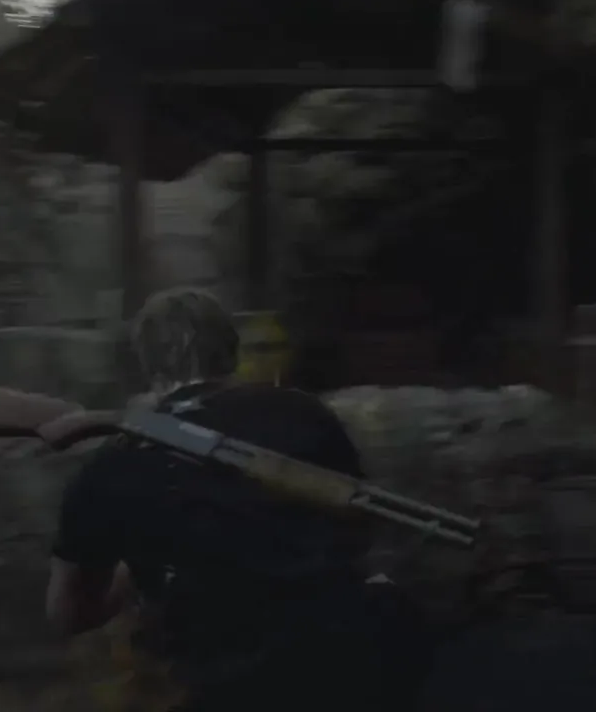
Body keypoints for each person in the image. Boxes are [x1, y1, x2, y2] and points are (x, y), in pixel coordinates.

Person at [45, 288, 433, 711]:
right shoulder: (303, 412)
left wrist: (137, 563)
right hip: (355, 660)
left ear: (147, 365)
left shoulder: (112, 463)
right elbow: (356, 534)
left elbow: (67, 614)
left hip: (227, 684)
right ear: (232, 353)